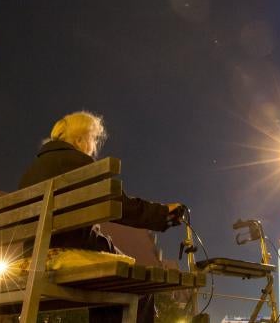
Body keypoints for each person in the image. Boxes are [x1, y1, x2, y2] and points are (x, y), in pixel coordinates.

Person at [19, 110, 185, 322]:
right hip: (63, 252)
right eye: (93, 138)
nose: (94, 145)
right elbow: (120, 206)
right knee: (138, 284)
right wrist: (163, 213)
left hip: (32, 254)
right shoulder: (77, 163)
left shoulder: (33, 169)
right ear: (79, 138)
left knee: (113, 284)